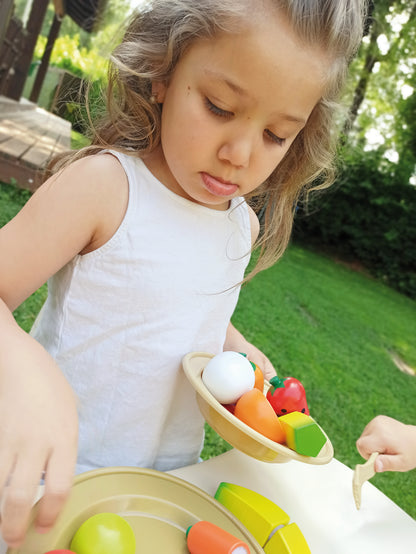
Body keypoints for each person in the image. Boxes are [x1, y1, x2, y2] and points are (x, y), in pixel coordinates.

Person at [0, 0, 367, 547]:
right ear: (164, 74)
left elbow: (190, 309)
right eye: (220, 107)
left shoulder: (238, 225)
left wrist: (238, 350)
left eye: (277, 134)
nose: (239, 154)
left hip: (162, 490)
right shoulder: (104, 187)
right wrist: (25, 367)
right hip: (48, 483)